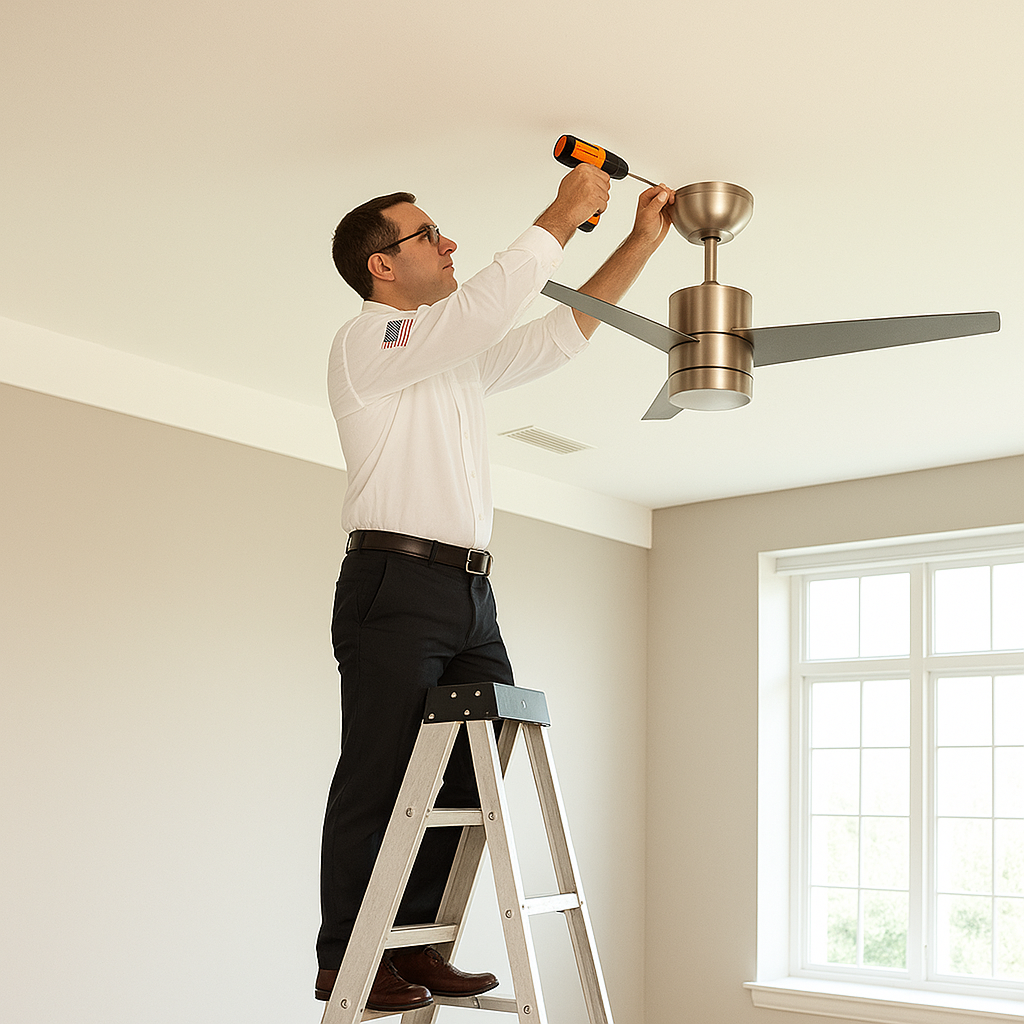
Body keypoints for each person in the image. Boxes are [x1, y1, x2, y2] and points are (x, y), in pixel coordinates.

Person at [317, 163, 675, 1011]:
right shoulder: (369, 344)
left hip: (470, 593)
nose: (448, 245)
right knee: (380, 774)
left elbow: (560, 334)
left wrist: (638, 243)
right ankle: (347, 957)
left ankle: (416, 946)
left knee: (473, 779)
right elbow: (483, 306)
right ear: (382, 265)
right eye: (428, 236)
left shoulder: (449, 364)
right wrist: (560, 210)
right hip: (392, 585)